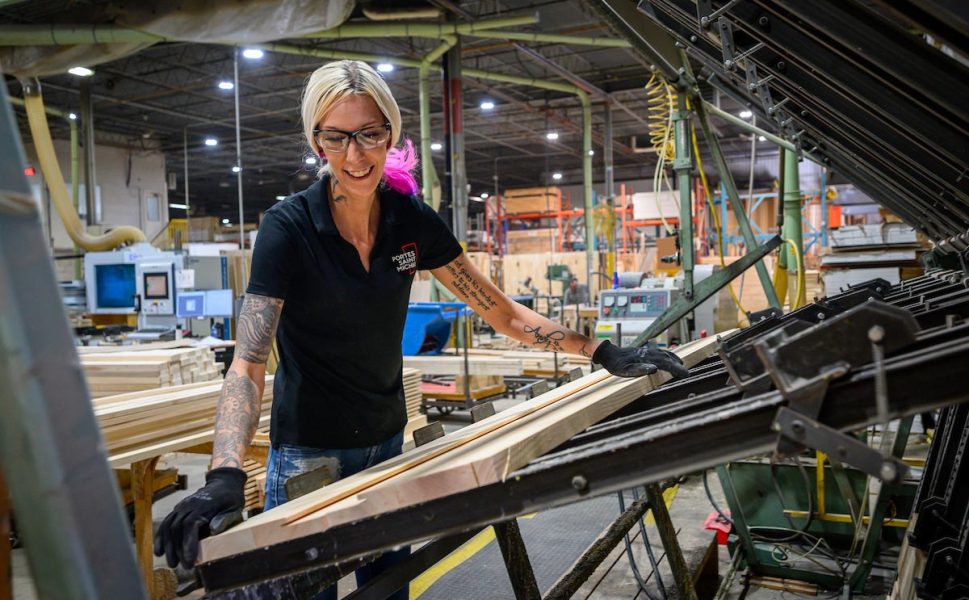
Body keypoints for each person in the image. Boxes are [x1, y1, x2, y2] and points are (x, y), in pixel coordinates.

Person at [153, 60, 688, 598]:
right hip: (308, 454)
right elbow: (248, 362)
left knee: (389, 590)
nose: (355, 155)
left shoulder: (409, 221)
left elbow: (501, 313)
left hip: (387, 446)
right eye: (337, 138)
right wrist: (225, 472)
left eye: (369, 134)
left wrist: (600, 351)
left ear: (390, 132)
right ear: (317, 142)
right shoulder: (288, 229)